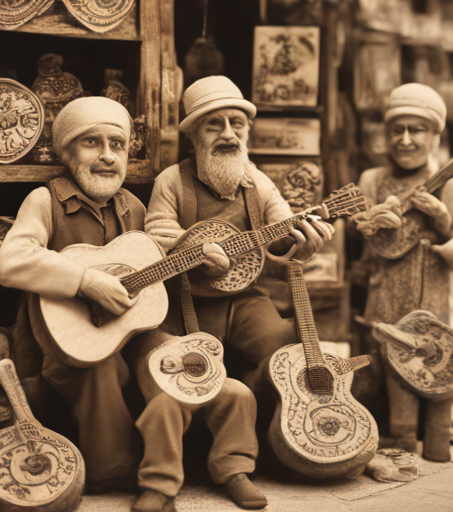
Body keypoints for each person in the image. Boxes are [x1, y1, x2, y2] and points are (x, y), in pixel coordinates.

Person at [129, 76, 334, 512]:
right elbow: (157, 233)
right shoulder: (173, 180)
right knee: (173, 366)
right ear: (193, 135)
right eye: (214, 124)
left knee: (286, 349)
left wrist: (304, 240)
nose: (228, 133)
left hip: (245, 300)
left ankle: (279, 447)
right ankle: (185, 464)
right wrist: (194, 248)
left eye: (236, 123)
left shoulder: (258, 182)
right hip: (183, 300)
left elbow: (282, 233)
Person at [0, 97, 146, 493]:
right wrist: (86, 281)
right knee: (99, 369)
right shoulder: (45, 200)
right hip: (58, 349)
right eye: (91, 143)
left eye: (117, 144)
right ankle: (111, 472)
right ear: (66, 151)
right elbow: (11, 261)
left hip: (121, 338)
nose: (108, 156)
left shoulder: (133, 208)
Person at [353, 83, 453, 460]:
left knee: (439, 367)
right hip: (387, 299)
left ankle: (437, 442)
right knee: (394, 370)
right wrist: (371, 222)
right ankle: (402, 442)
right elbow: (361, 238)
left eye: (417, 130)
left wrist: (444, 224)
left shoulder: (452, 188)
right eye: (397, 129)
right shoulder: (372, 180)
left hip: (436, 303)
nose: (405, 139)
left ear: (436, 136)